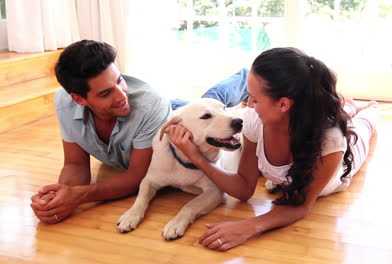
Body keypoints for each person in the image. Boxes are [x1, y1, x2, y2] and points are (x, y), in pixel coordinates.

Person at [167, 47, 378, 251]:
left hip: (339, 168)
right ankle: (348, 107)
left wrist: (249, 226)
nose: (248, 104)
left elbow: (301, 206)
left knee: (362, 126)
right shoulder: (255, 120)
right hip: (308, 121)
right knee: (341, 113)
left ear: (283, 104)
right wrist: (196, 156)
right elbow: (243, 188)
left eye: (255, 99)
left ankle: (367, 107)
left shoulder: (331, 142)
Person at [30, 40, 248, 224]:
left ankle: (245, 78)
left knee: (214, 101)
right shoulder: (65, 103)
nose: (120, 95)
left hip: (167, 110)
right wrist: (59, 198)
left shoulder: (150, 105)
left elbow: (137, 176)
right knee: (210, 106)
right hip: (162, 112)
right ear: (79, 99)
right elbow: (74, 164)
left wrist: (79, 196)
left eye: (119, 80)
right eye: (106, 92)